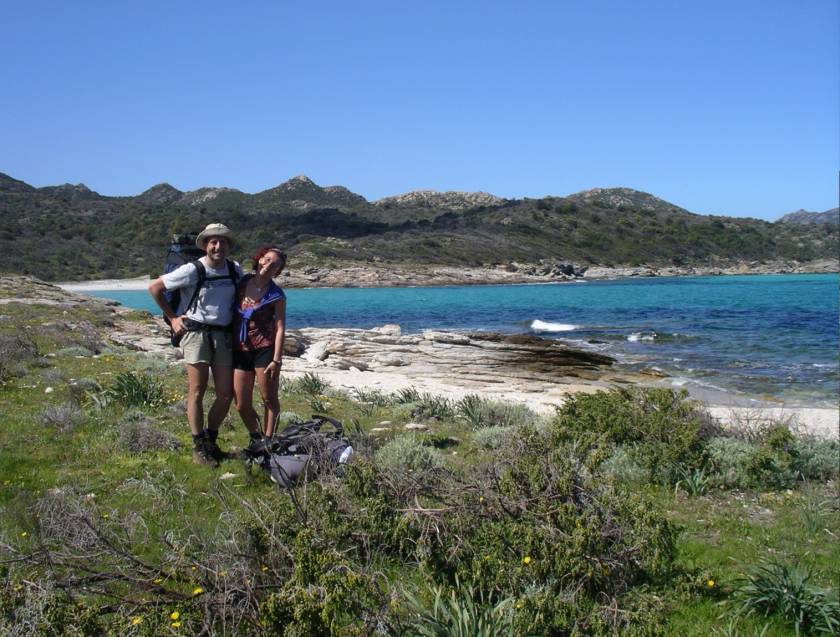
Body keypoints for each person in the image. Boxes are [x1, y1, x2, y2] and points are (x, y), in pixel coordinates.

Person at [148, 223, 243, 467]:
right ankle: (199, 446)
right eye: (213, 242)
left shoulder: (234, 269)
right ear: (205, 245)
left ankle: (210, 440)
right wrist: (173, 318)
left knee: (225, 394)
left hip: (223, 335)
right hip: (196, 334)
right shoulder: (193, 269)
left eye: (223, 242)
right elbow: (155, 287)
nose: (218, 246)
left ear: (229, 245)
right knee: (197, 390)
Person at [232, 245, 287, 453]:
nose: (268, 265)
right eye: (267, 259)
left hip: (265, 350)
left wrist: (277, 359)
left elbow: (280, 327)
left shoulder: (277, 295)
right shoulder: (242, 282)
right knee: (241, 403)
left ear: (278, 271)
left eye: (275, 264)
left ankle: (269, 442)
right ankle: (257, 437)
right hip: (241, 348)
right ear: (259, 259)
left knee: (269, 398)